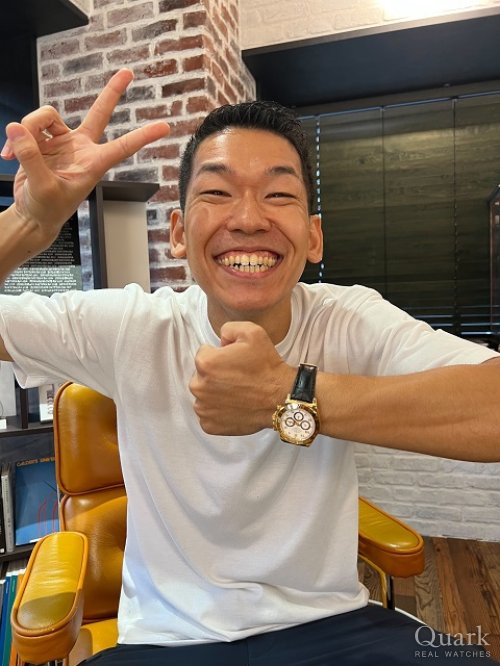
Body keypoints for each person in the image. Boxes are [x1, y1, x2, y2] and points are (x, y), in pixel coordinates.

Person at [0, 69, 499, 665]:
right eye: (216, 192)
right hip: (169, 639)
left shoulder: (348, 318)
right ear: (178, 233)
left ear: (313, 237)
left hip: (331, 626)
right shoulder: (131, 326)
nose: (248, 218)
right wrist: (29, 223)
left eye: (279, 195)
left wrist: (288, 396)